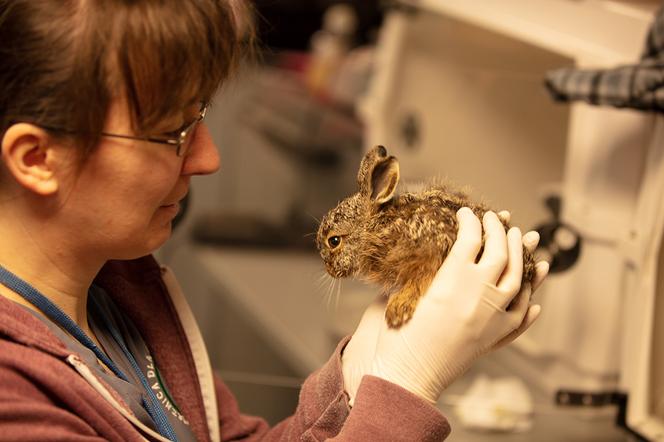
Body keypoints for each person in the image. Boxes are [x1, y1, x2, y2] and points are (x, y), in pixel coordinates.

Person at [0, 1, 548, 441]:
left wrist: (359, 380)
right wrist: (406, 387)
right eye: (173, 130)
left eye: (202, 117)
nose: (208, 159)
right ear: (38, 159)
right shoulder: (13, 402)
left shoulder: (120, 300)